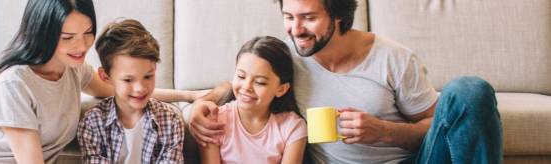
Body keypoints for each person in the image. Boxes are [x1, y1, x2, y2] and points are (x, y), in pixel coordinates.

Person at [188, 0, 503, 163]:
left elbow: (437, 126)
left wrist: (385, 132)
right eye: (288, 16)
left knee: (469, 91)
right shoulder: (294, 57)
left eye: (308, 18)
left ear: (338, 15)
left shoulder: (393, 60)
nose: (295, 30)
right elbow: (248, 80)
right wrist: (205, 102)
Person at [0, 1, 200, 163]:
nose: (81, 46)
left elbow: (125, 90)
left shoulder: (74, 69)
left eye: (87, 33)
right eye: (67, 37)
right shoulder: (15, 84)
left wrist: (190, 96)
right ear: (42, 34)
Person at [77, 19, 185, 164]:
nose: (140, 88)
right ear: (105, 76)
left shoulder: (170, 121)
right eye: (128, 80)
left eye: (148, 76)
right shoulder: (92, 123)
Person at [199, 36, 307, 164]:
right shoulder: (214, 121)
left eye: (260, 82)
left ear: (281, 89)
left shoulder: (292, 127)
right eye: (241, 76)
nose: (246, 87)